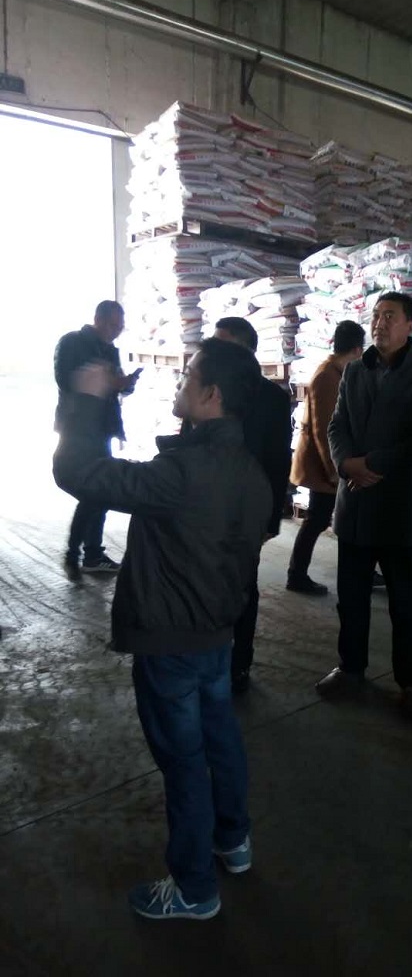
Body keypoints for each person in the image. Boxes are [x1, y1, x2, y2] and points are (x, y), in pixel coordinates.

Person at [53, 338, 272, 921]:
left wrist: (87, 400)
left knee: (183, 761)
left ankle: (195, 889)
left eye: (188, 375)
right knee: (220, 738)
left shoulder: (182, 472)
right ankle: (233, 840)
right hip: (216, 633)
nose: (180, 382)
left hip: (171, 640)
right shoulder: (250, 472)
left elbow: (77, 472)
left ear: (212, 395)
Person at [317, 292, 412, 705]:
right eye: (376, 315)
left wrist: (371, 464)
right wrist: (346, 464)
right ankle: (350, 667)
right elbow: (337, 425)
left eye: (390, 316)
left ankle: (410, 682)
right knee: (351, 597)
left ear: (410, 325)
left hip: (398, 506)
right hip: (355, 503)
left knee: (404, 601)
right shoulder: (355, 371)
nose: (380, 322)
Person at [213, 317, 292, 692]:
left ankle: (239, 662)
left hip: (247, 509)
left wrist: (271, 519)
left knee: (243, 586)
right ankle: (207, 657)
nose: (213, 352)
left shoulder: (272, 398)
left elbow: (278, 461)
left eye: (223, 345)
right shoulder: (209, 389)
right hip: (205, 504)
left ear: (245, 350)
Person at [54, 300, 141, 581]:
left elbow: (113, 388)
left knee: (99, 491)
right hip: (77, 430)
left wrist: (126, 385)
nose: (116, 330)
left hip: (101, 431)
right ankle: (79, 554)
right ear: (97, 319)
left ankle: (89, 554)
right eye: (112, 324)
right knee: (92, 491)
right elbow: (66, 380)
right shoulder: (71, 343)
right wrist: (107, 380)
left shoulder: (110, 350)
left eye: (120, 326)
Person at [287, 320, 366, 595]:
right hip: (323, 465)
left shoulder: (336, 373)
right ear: (357, 350)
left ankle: (361, 571)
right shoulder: (327, 377)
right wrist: (333, 469)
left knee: (325, 518)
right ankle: (296, 575)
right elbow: (324, 429)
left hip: (329, 463)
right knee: (317, 519)